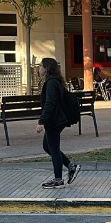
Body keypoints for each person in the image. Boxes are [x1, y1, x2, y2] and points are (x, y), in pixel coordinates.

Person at [36, 57, 80, 188]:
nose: (39, 69)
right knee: (47, 146)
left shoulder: (51, 83)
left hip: (54, 120)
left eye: (40, 66)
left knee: (53, 149)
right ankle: (71, 166)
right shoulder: (55, 81)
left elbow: (50, 104)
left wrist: (41, 122)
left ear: (46, 68)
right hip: (57, 119)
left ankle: (58, 179)